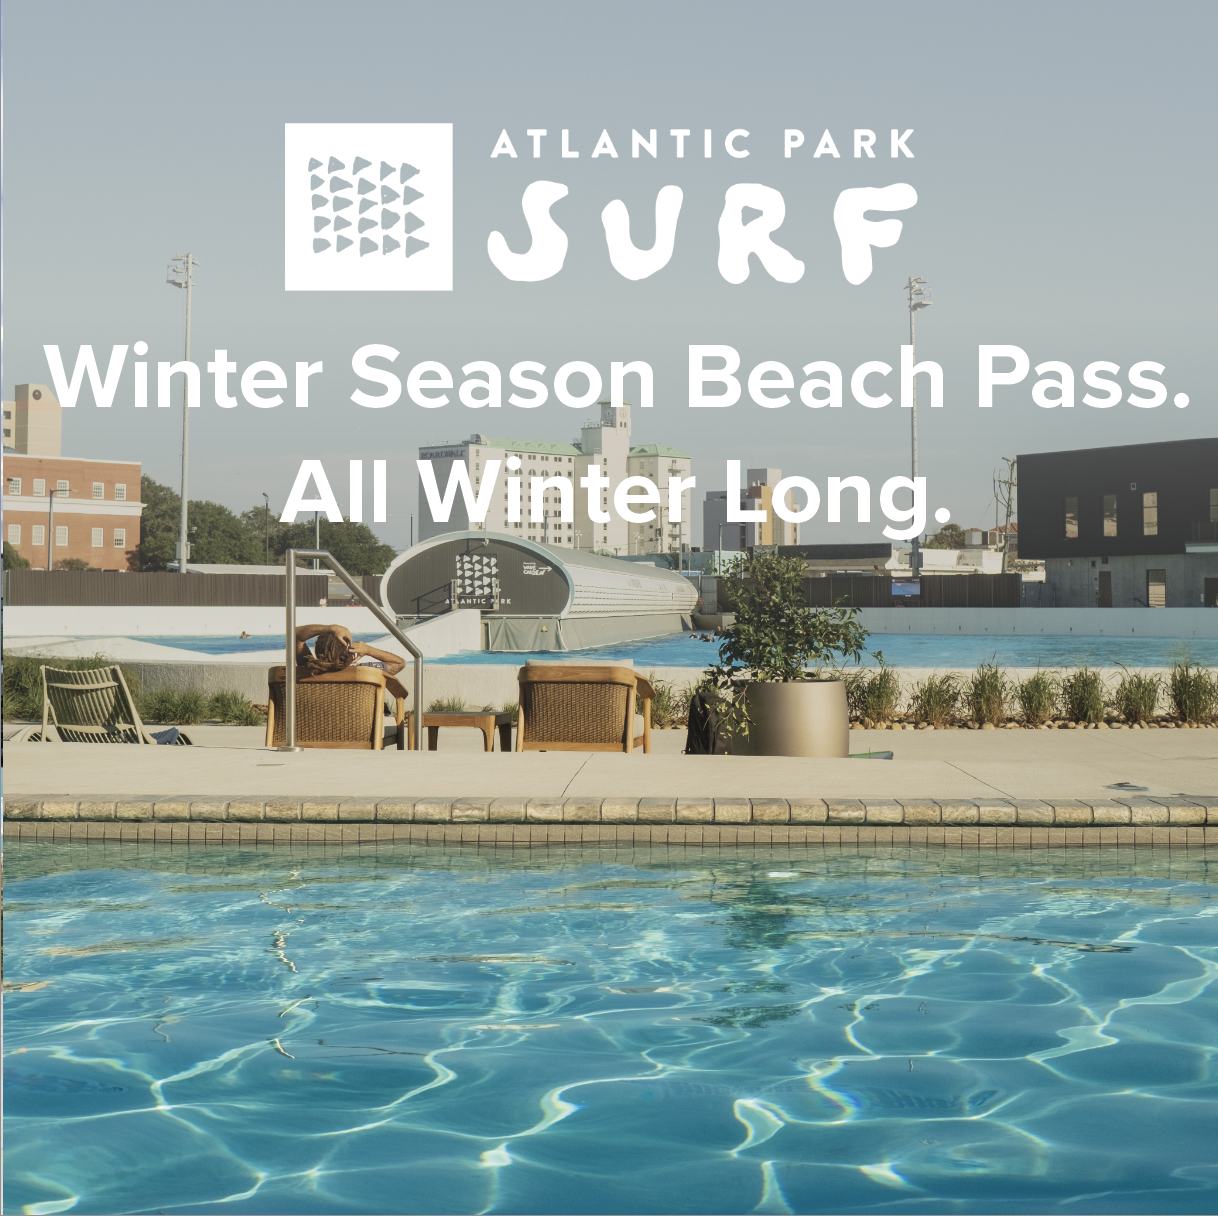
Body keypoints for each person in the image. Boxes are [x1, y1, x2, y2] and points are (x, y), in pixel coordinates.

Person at [295, 623, 406, 677]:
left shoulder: (307, 669)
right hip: (360, 723)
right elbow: (400, 663)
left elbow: (294, 633)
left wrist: (330, 628)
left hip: (312, 722)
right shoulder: (365, 672)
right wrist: (368, 650)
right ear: (350, 652)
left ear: (318, 650)